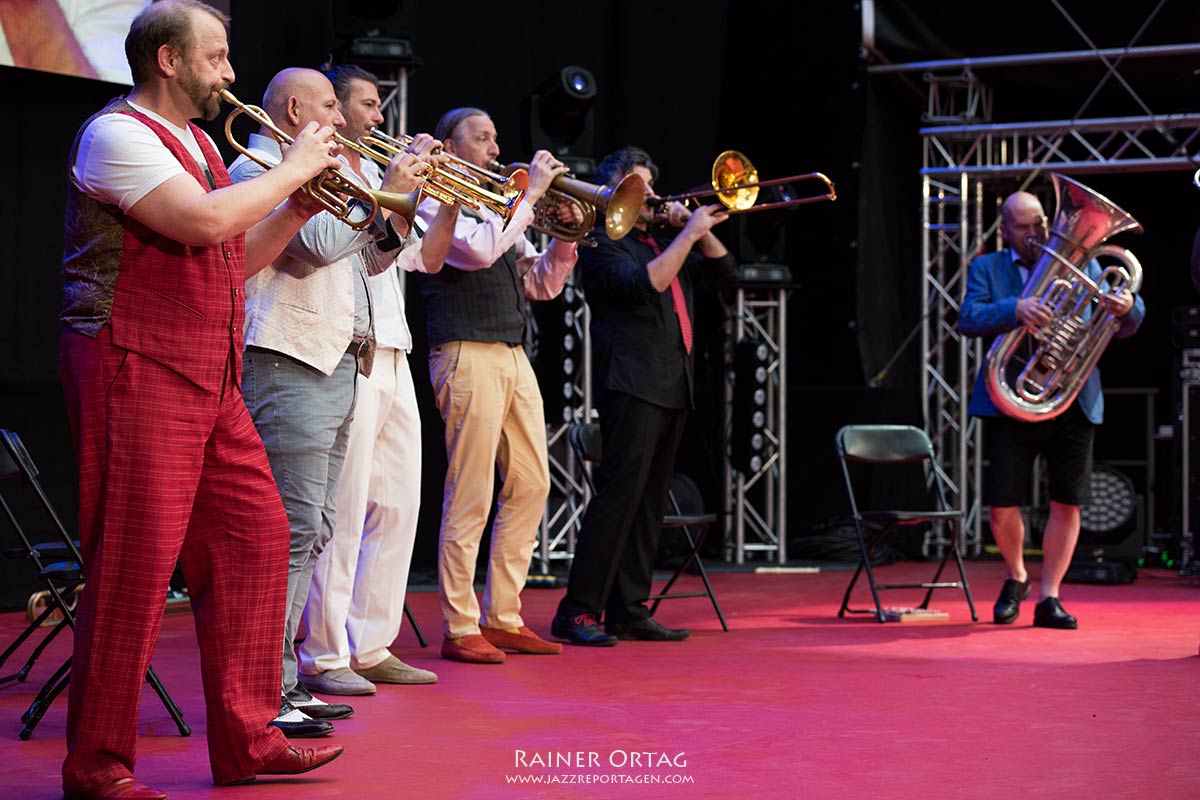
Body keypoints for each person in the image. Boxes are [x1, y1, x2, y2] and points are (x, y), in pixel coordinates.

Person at [58, 2, 345, 797]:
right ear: (168, 60)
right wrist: (293, 169)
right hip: (134, 363)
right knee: (133, 568)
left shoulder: (199, 145)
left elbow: (230, 258)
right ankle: (98, 766)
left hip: (208, 373)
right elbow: (199, 222)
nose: (229, 73)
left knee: (257, 539)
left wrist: (296, 208)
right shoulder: (114, 134)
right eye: (216, 57)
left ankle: (249, 739)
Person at [227, 67, 428, 728]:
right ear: (293, 109)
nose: (341, 120)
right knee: (286, 532)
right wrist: (385, 195)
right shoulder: (259, 164)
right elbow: (314, 247)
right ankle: (268, 690)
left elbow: (365, 260)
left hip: (336, 359)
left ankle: (284, 681)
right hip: (289, 358)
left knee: (312, 530)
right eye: (329, 108)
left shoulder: (315, 169)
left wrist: (396, 206)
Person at [298, 64, 458, 696]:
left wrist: (442, 196)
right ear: (335, 110)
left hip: (396, 351)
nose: (378, 116)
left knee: (396, 504)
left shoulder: (383, 174)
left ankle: (371, 643)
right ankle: (324, 653)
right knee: (344, 507)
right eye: (366, 104)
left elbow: (429, 258)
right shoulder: (328, 171)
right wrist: (391, 186)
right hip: (348, 351)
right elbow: (341, 253)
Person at [415, 106, 581, 664]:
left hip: (512, 353)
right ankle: (460, 625)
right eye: (481, 138)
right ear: (450, 147)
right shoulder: (435, 198)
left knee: (532, 483)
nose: (494, 149)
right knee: (472, 491)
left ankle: (503, 616)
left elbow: (541, 285)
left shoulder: (499, 204)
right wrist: (530, 198)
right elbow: (478, 250)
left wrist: (566, 235)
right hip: (465, 350)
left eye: (494, 138)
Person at [550, 147, 736, 646]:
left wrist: (699, 231)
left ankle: (628, 608)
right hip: (632, 385)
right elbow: (642, 287)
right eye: (640, 185)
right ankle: (577, 611)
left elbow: (727, 276)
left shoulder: (661, 243)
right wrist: (688, 234)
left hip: (673, 386)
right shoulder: (602, 243)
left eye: (652, 185)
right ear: (616, 192)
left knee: (650, 505)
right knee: (618, 499)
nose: (651, 195)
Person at [958, 189, 1144, 630]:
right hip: (1010, 399)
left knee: (1067, 501)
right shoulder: (988, 267)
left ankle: (1050, 596)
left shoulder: (1083, 260)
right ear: (1005, 230)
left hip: (1072, 398)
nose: (1035, 233)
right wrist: (1015, 308)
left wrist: (1127, 307)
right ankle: (1017, 576)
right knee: (1002, 505)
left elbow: (1128, 307)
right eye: (1023, 226)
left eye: (1040, 222)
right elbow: (968, 318)